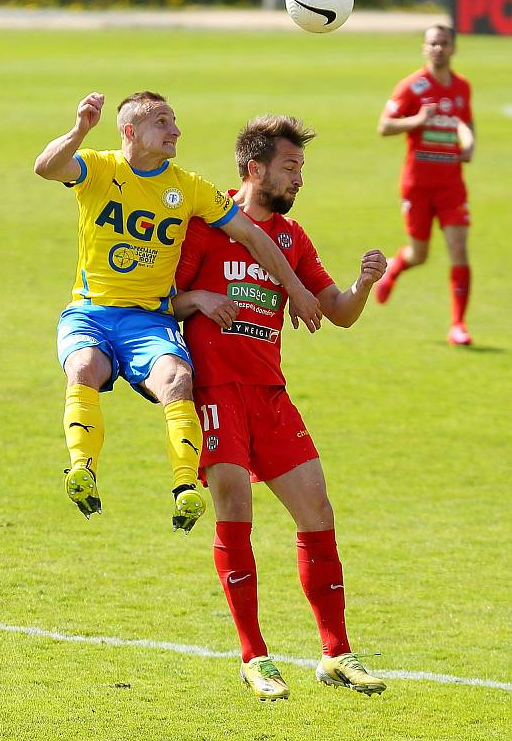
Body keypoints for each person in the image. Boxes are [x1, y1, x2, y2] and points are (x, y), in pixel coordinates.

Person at [34, 92, 322, 531]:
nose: (175, 131)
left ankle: (185, 488)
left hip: (150, 318)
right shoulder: (100, 168)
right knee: (84, 367)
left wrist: (296, 288)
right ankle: (81, 468)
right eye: (163, 122)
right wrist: (79, 130)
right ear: (130, 131)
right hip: (91, 311)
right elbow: (47, 167)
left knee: (179, 379)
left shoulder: (188, 187)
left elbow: (253, 236)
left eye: (174, 121)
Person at [172, 115, 387, 700]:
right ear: (253, 168)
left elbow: (336, 311)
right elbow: (155, 299)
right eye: (290, 167)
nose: (298, 179)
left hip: (270, 394)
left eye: (301, 169)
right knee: (235, 508)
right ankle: (253, 655)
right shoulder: (205, 227)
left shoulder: (293, 239)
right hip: (217, 394)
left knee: (317, 510)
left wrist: (364, 283)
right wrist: (196, 297)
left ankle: (336, 653)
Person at [376, 24, 475, 346]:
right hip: (418, 185)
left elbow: (464, 123)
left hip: (451, 186)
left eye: (444, 43)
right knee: (419, 254)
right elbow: (384, 126)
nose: (438, 49)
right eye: (433, 43)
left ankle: (458, 325)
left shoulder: (462, 88)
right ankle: (394, 268)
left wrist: (469, 144)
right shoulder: (412, 87)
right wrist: (416, 121)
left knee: (459, 250)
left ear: (453, 49)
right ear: (424, 48)